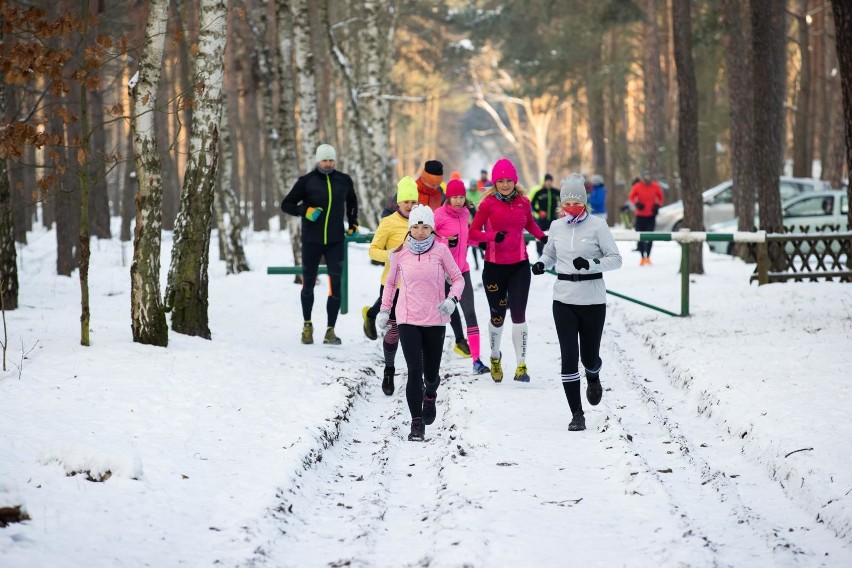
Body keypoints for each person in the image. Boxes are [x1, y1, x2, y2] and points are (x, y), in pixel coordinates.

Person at [532, 173, 622, 431]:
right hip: (564, 299)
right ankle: (577, 414)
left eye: (576, 203)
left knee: (588, 357)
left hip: (592, 299)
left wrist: (592, 264)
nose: (571, 208)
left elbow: (615, 259)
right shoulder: (557, 226)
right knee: (569, 357)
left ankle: (593, 375)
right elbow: (550, 253)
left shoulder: (598, 226)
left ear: (584, 203)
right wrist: (541, 263)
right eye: (567, 204)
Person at [376, 205, 464, 441]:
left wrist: (452, 300)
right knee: (414, 371)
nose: (421, 231)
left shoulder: (441, 251)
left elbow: (458, 279)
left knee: (431, 375)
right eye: (416, 226)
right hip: (408, 318)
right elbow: (391, 284)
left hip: (435, 318)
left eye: (425, 226)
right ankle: (416, 424)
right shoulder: (399, 253)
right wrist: (385, 311)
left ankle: (431, 394)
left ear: (432, 228)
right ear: (409, 228)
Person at [469, 158, 548, 383]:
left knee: (519, 315)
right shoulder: (487, 205)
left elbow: (530, 224)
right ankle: (495, 357)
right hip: (494, 268)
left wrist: (542, 236)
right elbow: (473, 233)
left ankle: (521, 365)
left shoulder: (523, 202)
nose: (505, 184)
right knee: (498, 317)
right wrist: (492, 237)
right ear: (495, 182)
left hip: (520, 266)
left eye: (509, 180)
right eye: (500, 181)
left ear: (515, 181)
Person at [281, 143, 358, 345]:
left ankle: (330, 331)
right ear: (318, 160)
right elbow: (286, 204)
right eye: (324, 160)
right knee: (308, 284)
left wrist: (353, 223)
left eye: (331, 160)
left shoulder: (344, 180)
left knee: (336, 286)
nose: (328, 163)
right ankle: (307, 325)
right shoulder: (307, 182)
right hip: (311, 241)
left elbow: (352, 203)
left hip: (335, 241)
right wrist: (304, 211)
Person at [362, 177, 420, 395]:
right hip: (392, 285)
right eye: (405, 201)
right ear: (398, 202)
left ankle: (417, 374)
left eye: (413, 201)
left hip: (417, 287)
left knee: (414, 332)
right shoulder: (388, 222)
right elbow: (372, 250)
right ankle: (389, 369)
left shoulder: (423, 222)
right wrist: (389, 254)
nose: (410, 205)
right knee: (393, 331)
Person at [435, 179, 490, 375]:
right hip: (440, 272)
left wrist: (484, 242)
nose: (458, 201)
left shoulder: (466, 213)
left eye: (461, 197)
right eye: (455, 197)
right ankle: (430, 357)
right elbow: (425, 237)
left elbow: (469, 237)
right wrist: (444, 240)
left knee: (470, 313)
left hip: (462, 271)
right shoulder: (438, 216)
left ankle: (476, 360)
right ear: (448, 197)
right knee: (443, 314)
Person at [628, 169, 665, 265]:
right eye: (645, 178)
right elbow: (631, 197)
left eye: (648, 177)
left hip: (651, 216)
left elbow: (661, 197)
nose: (646, 180)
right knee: (640, 236)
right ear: (642, 178)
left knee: (650, 236)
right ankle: (642, 257)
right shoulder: (637, 186)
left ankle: (648, 257)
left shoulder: (655, 186)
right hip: (640, 216)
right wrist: (637, 203)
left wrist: (657, 205)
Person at [530, 173, 560, 255]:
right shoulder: (540, 192)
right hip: (542, 220)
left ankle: (553, 255)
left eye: (550, 181)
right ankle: (540, 253)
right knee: (540, 237)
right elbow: (531, 204)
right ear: (545, 181)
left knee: (553, 238)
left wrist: (562, 211)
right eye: (547, 181)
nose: (549, 183)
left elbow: (564, 200)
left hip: (553, 219)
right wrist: (538, 211)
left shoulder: (556, 192)